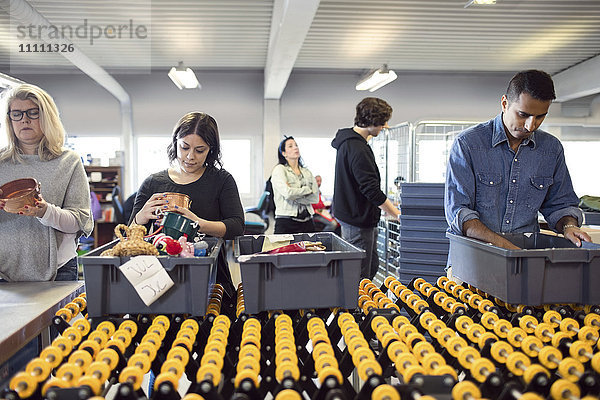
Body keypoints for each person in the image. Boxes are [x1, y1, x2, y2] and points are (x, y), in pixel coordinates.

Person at [445, 69, 591, 254]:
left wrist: (569, 226)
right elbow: (459, 214)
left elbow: (561, 204)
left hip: (525, 264)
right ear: (505, 103)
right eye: (523, 114)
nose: (531, 125)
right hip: (472, 261)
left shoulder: (551, 149)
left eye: (540, 117)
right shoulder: (468, 144)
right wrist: (507, 248)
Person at [130, 112, 244, 296]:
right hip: (160, 278)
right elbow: (130, 235)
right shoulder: (153, 183)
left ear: (211, 150)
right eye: (184, 147)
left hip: (210, 275)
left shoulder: (221, 180)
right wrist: (140, 217)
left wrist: (199, 223)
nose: (190, 156)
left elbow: (237, 226)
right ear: (175, 142)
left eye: (200, 150)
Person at [0, 84, 93, 281]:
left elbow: (79, 222)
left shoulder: (69, 161)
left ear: (47, 116)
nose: (24, 119)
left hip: (58, 270)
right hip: (3, 272)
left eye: (33, 113)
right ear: (9, 119)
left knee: (59, 314)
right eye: (16, 114)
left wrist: (44, 212)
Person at [331, 97, 401, 279]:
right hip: (357, 221)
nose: (385, 126)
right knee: (359, 275)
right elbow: (370, 189)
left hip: (355, 217)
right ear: (371, 121)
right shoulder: (357, 148)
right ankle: (356, 308)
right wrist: (397, 214)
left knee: (370, 267)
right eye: (383, 121)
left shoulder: (350, 143)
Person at [271, 136, 319, 234]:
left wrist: (294, 194)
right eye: (290, 146)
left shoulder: (307, 172)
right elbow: (288, 193)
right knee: (284, 250)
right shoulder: (279, 170)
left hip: (308, 221)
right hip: (286, 222)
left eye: (296, 145)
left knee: (312, 249)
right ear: (284, 153)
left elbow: (315, 198)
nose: (295, 148)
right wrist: (306, 190)